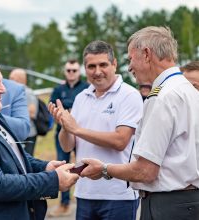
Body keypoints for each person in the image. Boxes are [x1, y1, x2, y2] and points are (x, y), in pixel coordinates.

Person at [78, 27, 199, 220]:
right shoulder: (189, 91)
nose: (129, 67)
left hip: (166, 206)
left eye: (130, 59)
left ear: (146, 54)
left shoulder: (161, 97)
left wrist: (103, 169)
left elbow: (145, 171)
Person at [48, 41, 143, 220]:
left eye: (103, 65)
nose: (97, 71)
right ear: (85, 69)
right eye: (91, 66)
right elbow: (67, 147)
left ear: (114, 64)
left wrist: (77, 129)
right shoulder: (81, 97)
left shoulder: (129, 95)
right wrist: (64, 127)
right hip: (85, 193)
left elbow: (120, 141)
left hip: (118, 194)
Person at [0, 57, 79, 220]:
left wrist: (44, 167)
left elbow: (15, 156)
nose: (3, 90)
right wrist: (52, 180)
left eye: (2, 82)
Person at [49, 59, 88, 217]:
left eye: (74, 70)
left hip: (82, 134)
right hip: (62, 134)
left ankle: (85, 198)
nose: (71, 73)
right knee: (62, 165)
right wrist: (69, 108)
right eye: (69, 70)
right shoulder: (58, 89)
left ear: (79, 72)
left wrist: (67, 107)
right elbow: (52, 105)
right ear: (65, 72)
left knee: (85, 166)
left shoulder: (86, 88)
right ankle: (64, 203)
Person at [9, 68, 38, 155]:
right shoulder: (13, 92)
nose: (9, 80)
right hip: (17, 134)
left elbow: (33, 113)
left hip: (28, 135)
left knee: (27, 162)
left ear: (19, 79)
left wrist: (15, 111)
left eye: (12, 78)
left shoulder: (28, 93)